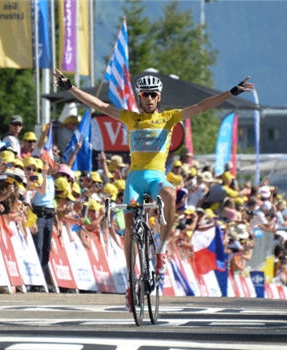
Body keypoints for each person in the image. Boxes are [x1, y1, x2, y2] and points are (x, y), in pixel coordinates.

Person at [54, 69, 253, 307]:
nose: (148, 98)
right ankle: (130, 282)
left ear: (158, 97)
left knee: (170, 193)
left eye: (152, 94)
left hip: (156, 178)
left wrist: (231, 92)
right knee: (130, 229)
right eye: (144, 94)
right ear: (139, 97)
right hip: (134, 180)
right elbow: (100, 104)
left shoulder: (168, 118)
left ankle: (161, 249)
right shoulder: (131, 118)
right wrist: (71, 87)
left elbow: (201, 106)